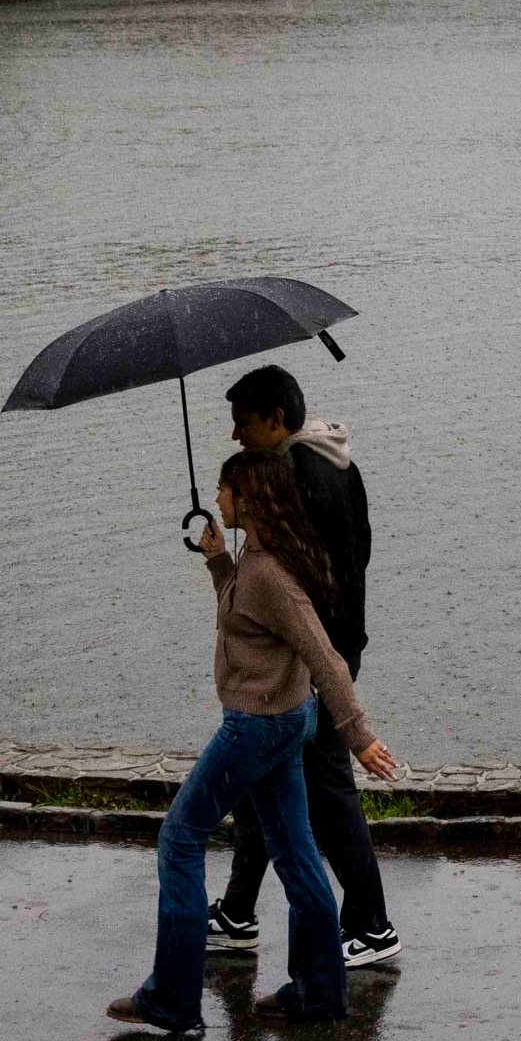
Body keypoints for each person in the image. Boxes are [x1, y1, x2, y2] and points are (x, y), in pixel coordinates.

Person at [107, 446, 399, 1035]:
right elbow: (248, 621)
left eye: (223, 490)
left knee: (180, 839)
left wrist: (358, 736)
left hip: (256, 725)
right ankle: (318, 990)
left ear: (249, 499)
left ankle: (172, 997)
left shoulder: (270, 574)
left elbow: (327, 660)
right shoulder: (259, 560)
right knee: (295, 851)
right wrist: (218, 565)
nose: (215, 499)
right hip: (284, 721)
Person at [206, 366, 399, 969]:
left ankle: (370, 926)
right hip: (337, 644)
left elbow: (292, 583)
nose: (236, 435)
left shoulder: (295, 475)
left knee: (326, 791)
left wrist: (303, 656)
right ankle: (238, 912)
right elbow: (361, 549)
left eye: (244, 423)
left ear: (277, 421)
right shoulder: (339, 461)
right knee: (270, 780)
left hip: (316, 657)